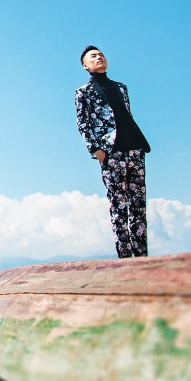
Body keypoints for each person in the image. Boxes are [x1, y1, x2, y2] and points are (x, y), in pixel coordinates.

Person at [75, 45, 152, 258]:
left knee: (138, 205)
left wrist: (138, 146)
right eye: (93, 56)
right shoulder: (83, 92)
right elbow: (83, 124)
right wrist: (96, 150)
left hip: (134, 148)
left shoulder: (121, 87)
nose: (99, 57)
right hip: (111, 152)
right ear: (85, 65)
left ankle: (142, 257)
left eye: (101, 54)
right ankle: (125, 259)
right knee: (118, 206)